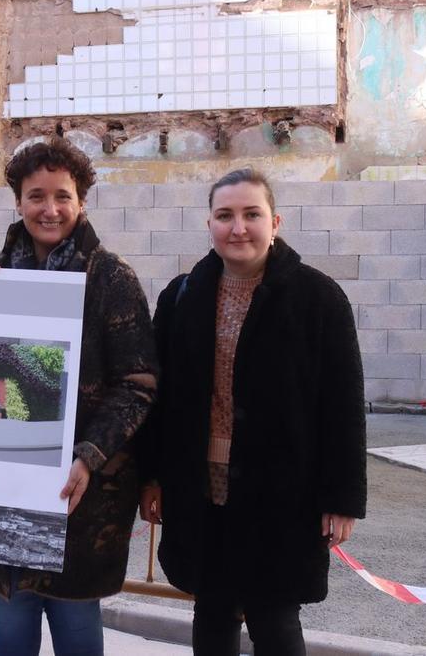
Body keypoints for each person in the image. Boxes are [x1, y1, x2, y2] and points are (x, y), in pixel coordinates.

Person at [138, 168, 367, 655]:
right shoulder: (182, 297)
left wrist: (342, 497)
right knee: (213, 609)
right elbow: (160, 399)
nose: (238, 227)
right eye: (225, 215)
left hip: (283, 491)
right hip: (200, 487)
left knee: (275, 614)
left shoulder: (318, 298)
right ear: (209, 223)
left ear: (275, 222)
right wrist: (153, 476)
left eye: (251, 214)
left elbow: (343, 404)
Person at [0, 137, 156, 655]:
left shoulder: (112, 277)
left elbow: (137, 386)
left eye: (62, 196)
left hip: (83, 492)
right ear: (18, 201)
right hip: (5, 481)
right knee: (10, 620)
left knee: (74, 626)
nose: (50, 209)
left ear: (82, 200)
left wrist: (88, 456)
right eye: (36, 196)